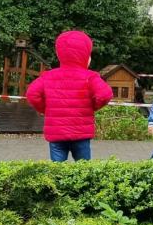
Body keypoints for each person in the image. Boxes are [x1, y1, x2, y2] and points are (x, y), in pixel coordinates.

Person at [25, 30, 113, 162]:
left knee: (57, 172)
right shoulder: (90, 77)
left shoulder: (48, 76)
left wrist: (45, 109)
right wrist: (92, 106)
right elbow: (105, 95)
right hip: (81, 133)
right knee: (83, 172)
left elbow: (32, 94)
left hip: (56, 133)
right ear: (85, 55)